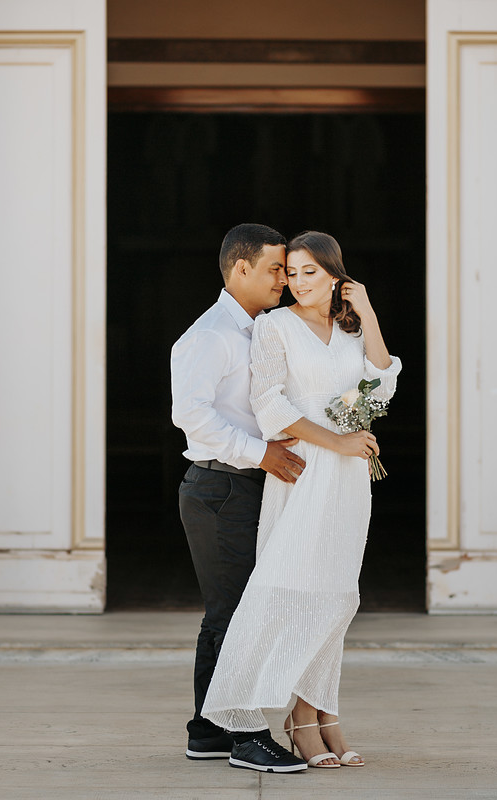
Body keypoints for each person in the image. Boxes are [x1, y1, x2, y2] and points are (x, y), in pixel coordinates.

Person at [201, 230, 401, 772]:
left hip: (349, 480)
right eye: (290, 271)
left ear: (336, 276)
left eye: (310, 271)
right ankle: (259, 713)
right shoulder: (274, 326)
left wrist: (369, 312)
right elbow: (268, 405)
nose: (296, 281)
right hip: (306, 471)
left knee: (337, 595)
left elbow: (381, 388)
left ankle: (316, 713)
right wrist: (337, 440)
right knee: (292, 589)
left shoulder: (350, 328)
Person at [170, 224, 308, 769]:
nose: (284, 279)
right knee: (238, 615)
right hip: (220, 486)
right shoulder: (209, 336)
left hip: (244, 486)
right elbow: (191, 416)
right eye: (275, 268)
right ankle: (246, 737)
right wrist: (262, 454)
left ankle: (208, 730)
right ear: (240, 269)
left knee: (230, 613)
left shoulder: (266, 331)